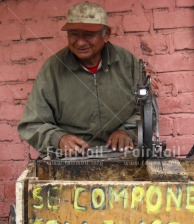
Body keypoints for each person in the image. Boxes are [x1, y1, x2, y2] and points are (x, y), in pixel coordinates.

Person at [18, 2, 141, 157]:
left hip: (120, 156)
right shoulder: (52, 69)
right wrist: (59, 139)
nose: (80, 42)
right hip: (70, 160)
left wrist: (126, 131)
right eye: (74, 34)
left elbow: (145, 110)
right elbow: (31, 124)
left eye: (89, 35)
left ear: (106, 34)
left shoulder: (128, 63)